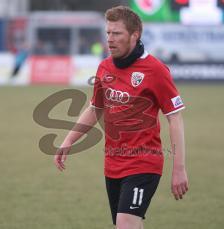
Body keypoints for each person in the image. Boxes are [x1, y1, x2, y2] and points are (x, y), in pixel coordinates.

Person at [54, 6, 189, 229]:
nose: (110, 39)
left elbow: (175, 118)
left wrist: (179, 168)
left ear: (134, 35)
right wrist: (68, 141)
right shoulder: (104, 67)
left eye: (116, 33)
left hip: (144, 163)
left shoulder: (155, 70)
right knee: (127, 225)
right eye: (108, 33)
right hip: (113, 163)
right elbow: (95, 108)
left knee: (125, 224)